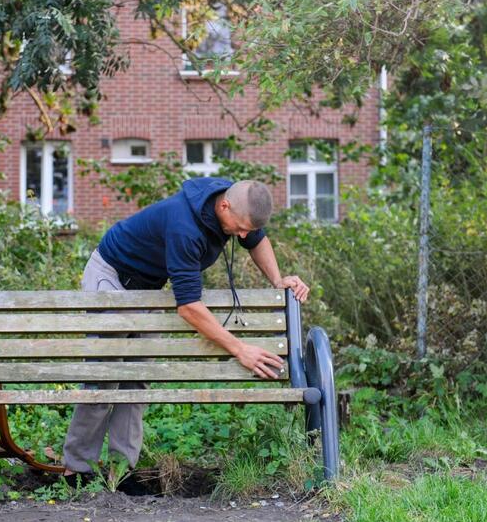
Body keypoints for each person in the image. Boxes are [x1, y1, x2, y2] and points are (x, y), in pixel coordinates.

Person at [62, 177, 310, 488]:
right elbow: (189, 307)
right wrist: (239, 349)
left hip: (147, 286)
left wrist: (278, 280)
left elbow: (256, 239)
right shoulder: (185, 227)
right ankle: (77, 470)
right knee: (105, 374)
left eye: (248, 229)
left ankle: (121, 471)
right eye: (241, 227)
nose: (243, 235)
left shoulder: (236, 202)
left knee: (136, 379)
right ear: (224, 206)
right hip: (112, 278)